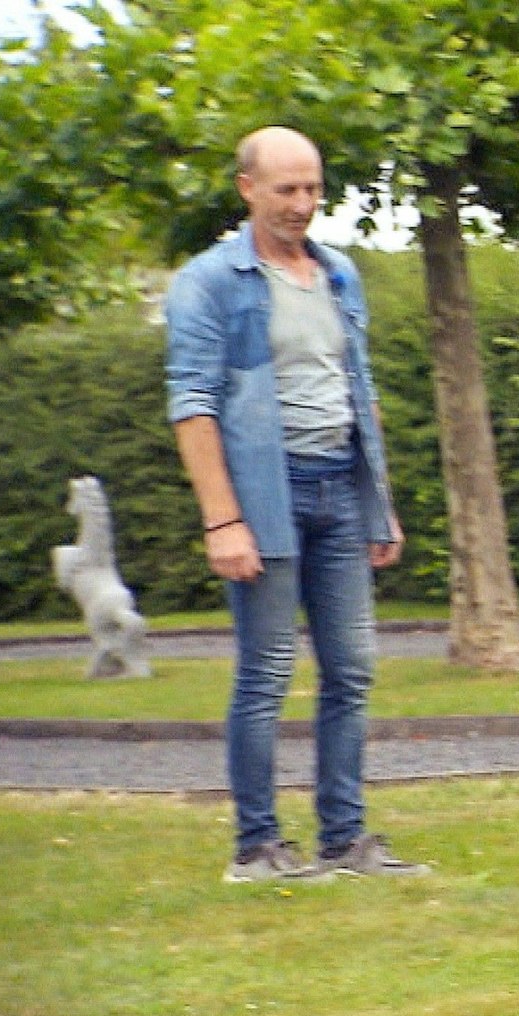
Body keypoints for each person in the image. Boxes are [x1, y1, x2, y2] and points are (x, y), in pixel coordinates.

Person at [165, 126, 429, 882]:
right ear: (247, 187)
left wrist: (381, 505)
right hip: (266, 496)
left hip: (341, 489)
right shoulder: (211, 281)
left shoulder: (339, 274)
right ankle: (257, 847)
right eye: (287, 189)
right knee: (267, 671)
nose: (303, 204)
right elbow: (193, 406)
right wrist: (223, 519)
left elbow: (361, 391)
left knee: (353, 668)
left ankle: (345, 840)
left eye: (313, 188)